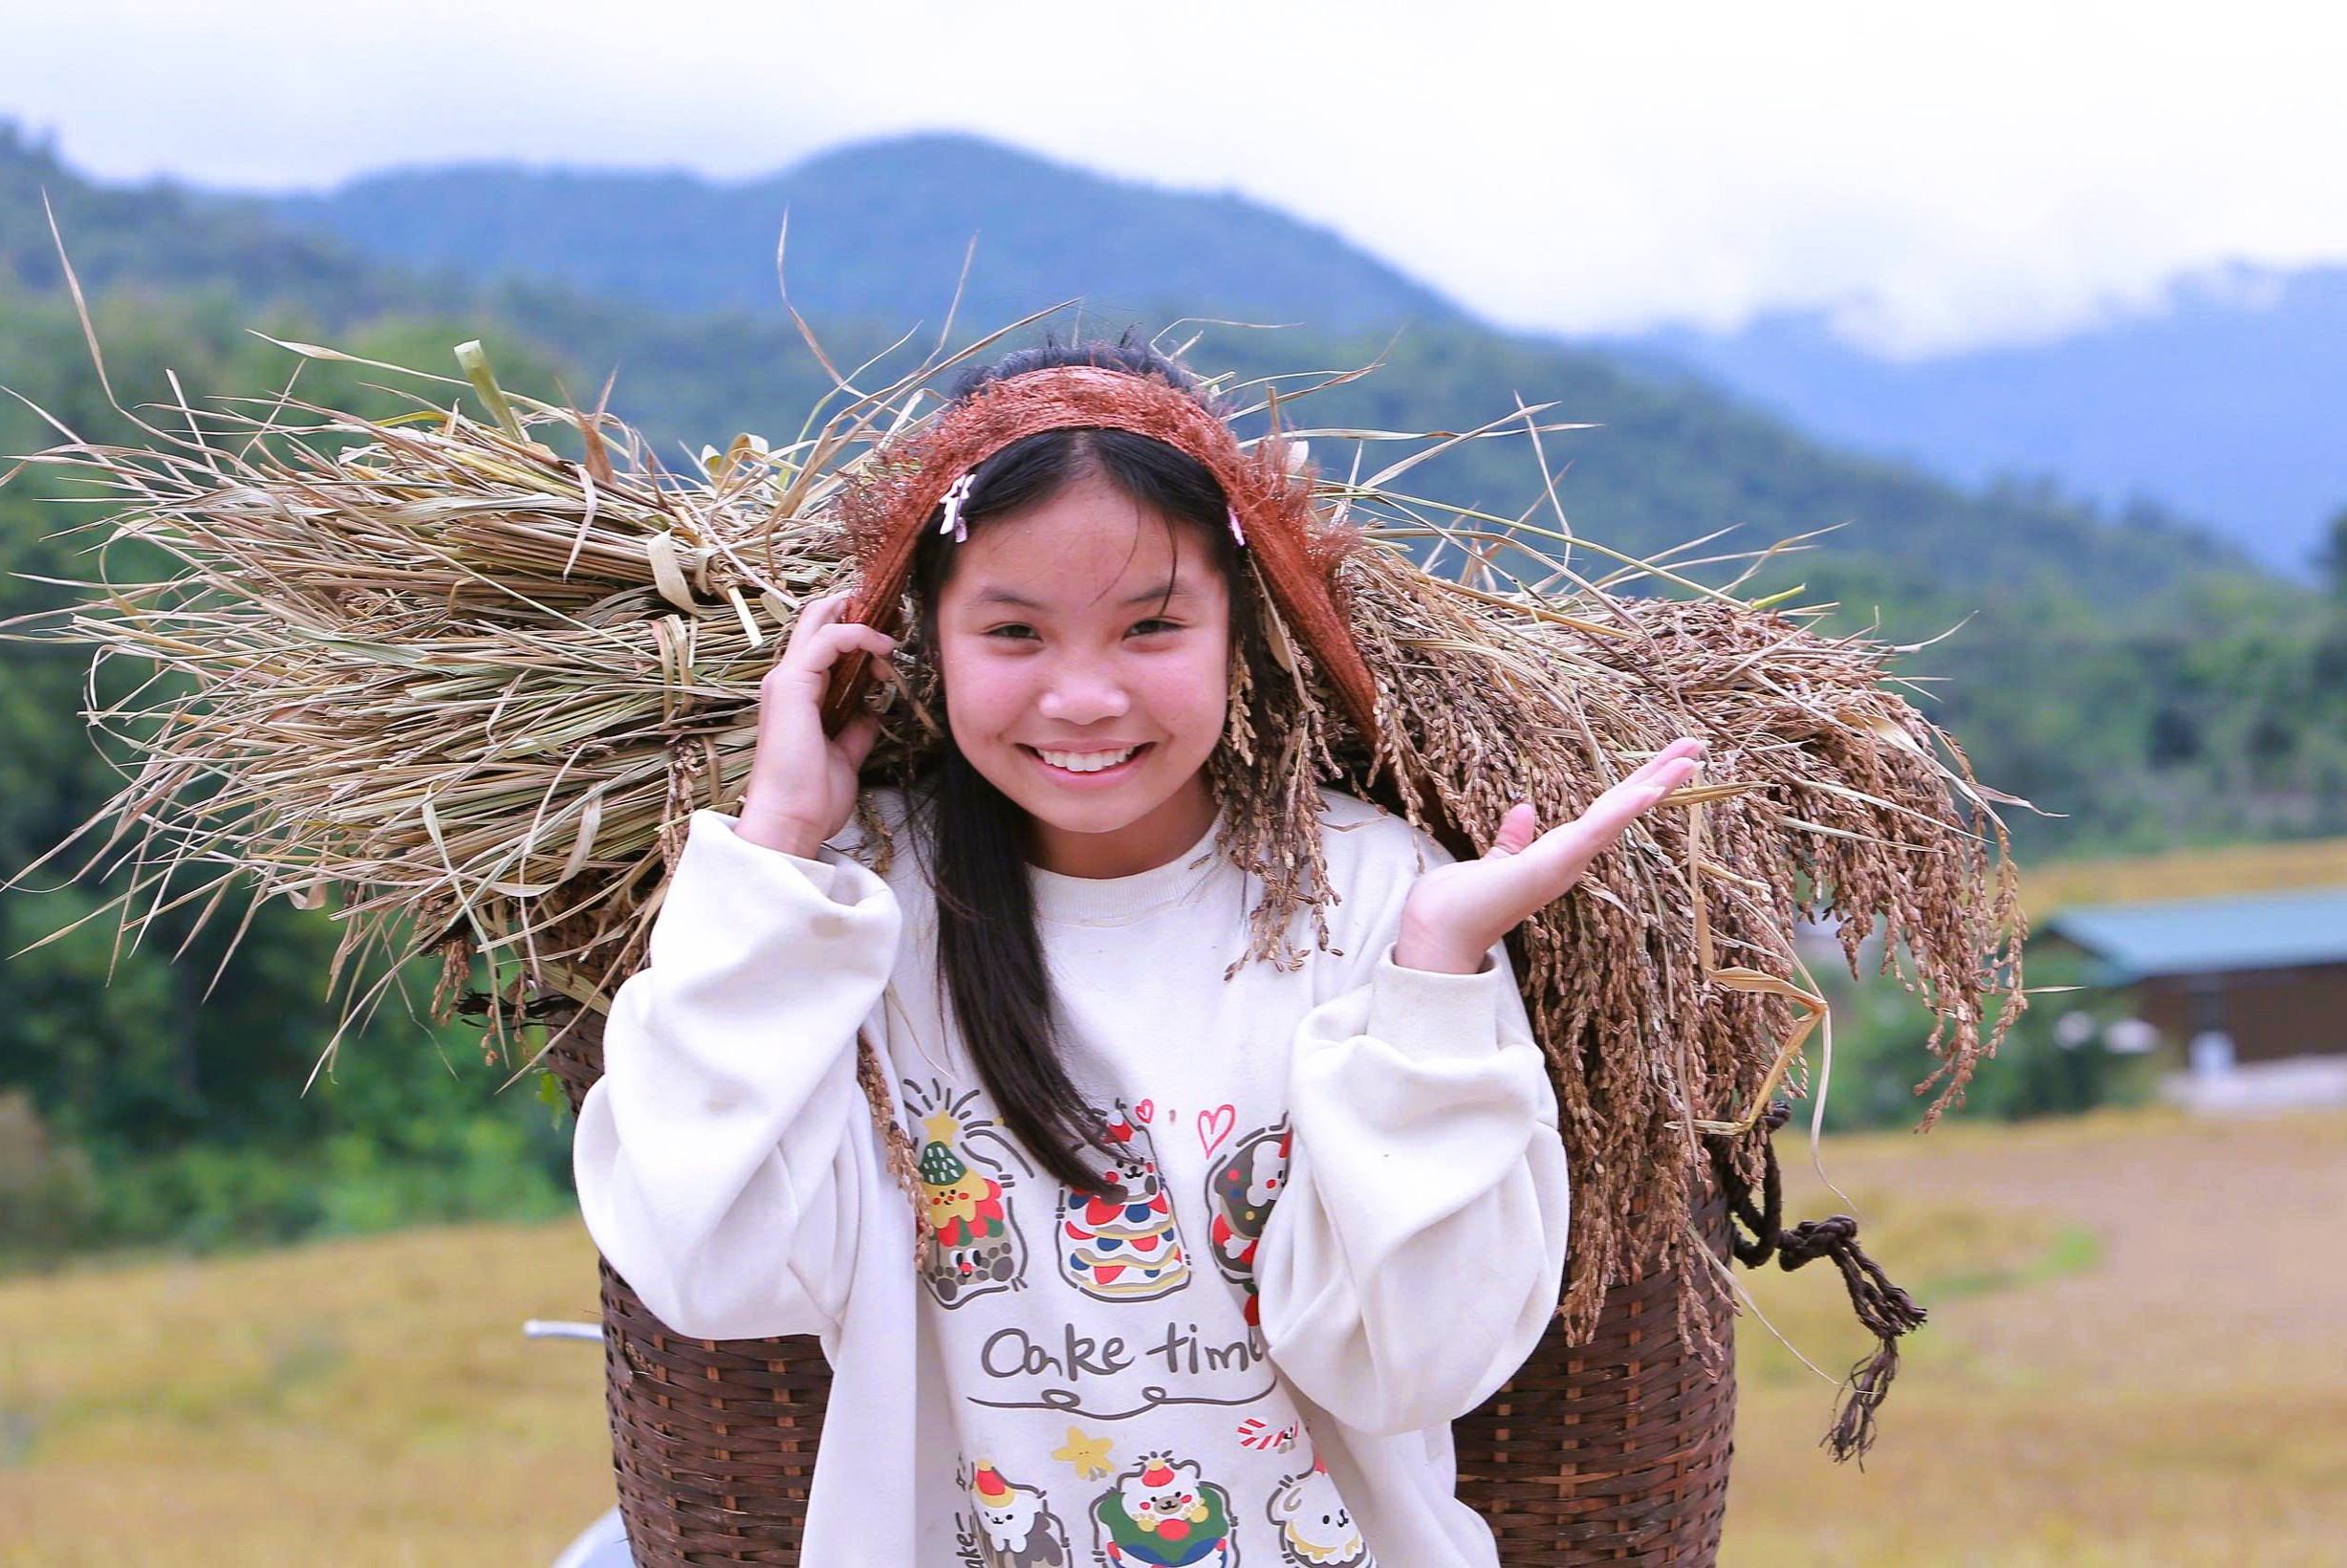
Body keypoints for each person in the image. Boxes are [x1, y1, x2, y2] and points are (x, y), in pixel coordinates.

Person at [573, 338, 1704, 1567]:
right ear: (917, 638)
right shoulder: (854, 906)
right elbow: (707, 1262)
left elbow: (1415, 1358)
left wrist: (1431, 977)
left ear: (1239, 628)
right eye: (1013, 631)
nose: (1083, 696)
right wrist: (778, 842)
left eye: (1151, 625)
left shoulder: (1367, 891)